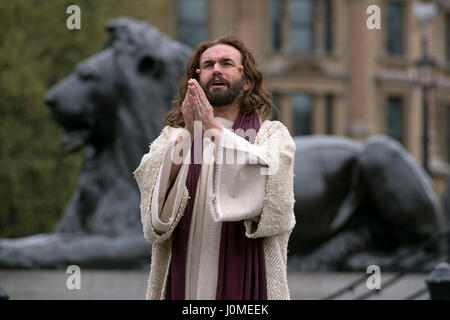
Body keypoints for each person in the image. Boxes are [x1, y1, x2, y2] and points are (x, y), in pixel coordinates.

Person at [133, 35, 296, 300]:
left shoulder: (272, 136)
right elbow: (155, 219)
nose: (216, 69)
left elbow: (276, 207)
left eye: (226, 63)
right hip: (185, 283)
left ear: (247, 82)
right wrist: (189, 131)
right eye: (207, 65)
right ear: (195, 82)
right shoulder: (173, 138)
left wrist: (213, 130)